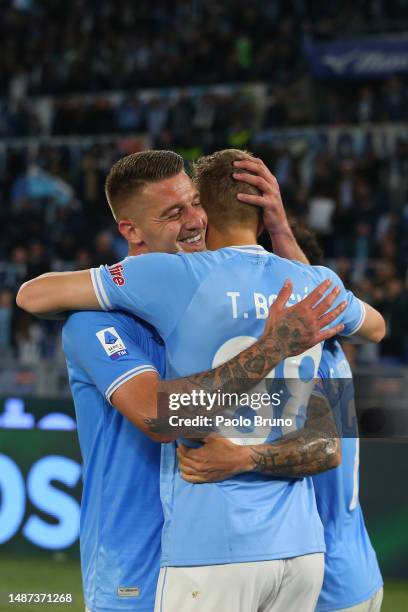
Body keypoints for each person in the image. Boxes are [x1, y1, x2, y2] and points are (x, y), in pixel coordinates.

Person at [17, 149, 385, 612]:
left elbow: (326, 445)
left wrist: (245, 458)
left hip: (211, 555)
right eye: (175, 213)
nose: (196, 220)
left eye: (196, 202)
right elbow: (158, 415)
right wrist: (270, 349)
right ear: (131, 230)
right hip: (134, 572)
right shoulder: (94, 324)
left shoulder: (218, 311)